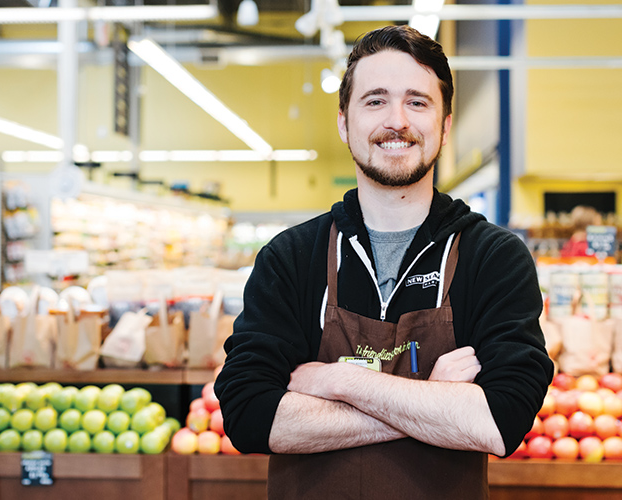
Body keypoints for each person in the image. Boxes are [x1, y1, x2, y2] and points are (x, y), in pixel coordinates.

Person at [214, 25, 553, 499]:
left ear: (445, 124)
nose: (397, 120)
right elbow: (250, 416)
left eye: (417, 101)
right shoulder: (291, 257)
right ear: (343, 122)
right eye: (375, 101)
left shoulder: (492, 257)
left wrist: (335, 380)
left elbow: (500, 422)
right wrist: (435, 398)